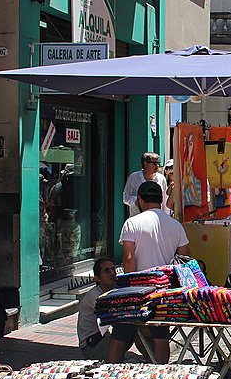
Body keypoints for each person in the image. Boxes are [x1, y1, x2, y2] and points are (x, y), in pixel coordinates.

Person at [107, 181, 191, 364]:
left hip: (136, 290)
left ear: (139, 200)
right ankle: (161, 373)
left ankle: (108, 375)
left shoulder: (132, 223)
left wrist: (128, 288)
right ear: (161, 200)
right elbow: (186, 259)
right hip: (164, 290)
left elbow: (129, 259)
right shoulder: (175, 225)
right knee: (160, 335)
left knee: (121, 335)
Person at [77, 257, 118, 360]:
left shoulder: (114, 290)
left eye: (113, 269)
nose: (112, 273)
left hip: (103, 338)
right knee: (125, 332)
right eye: (107, 271)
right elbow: (115, 318)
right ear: (97, 278)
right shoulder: (94, 296)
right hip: (92, 346)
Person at [123, 152, 168, 217]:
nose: (157, 166)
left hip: (156, 218)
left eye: (158, 163)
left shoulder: (161, 179)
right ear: (145, 164)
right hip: (137, 218)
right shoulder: (133, 178)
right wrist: (136, 201)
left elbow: (165, 201)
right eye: (155, 163)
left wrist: (165, 217)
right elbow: (125, 198)